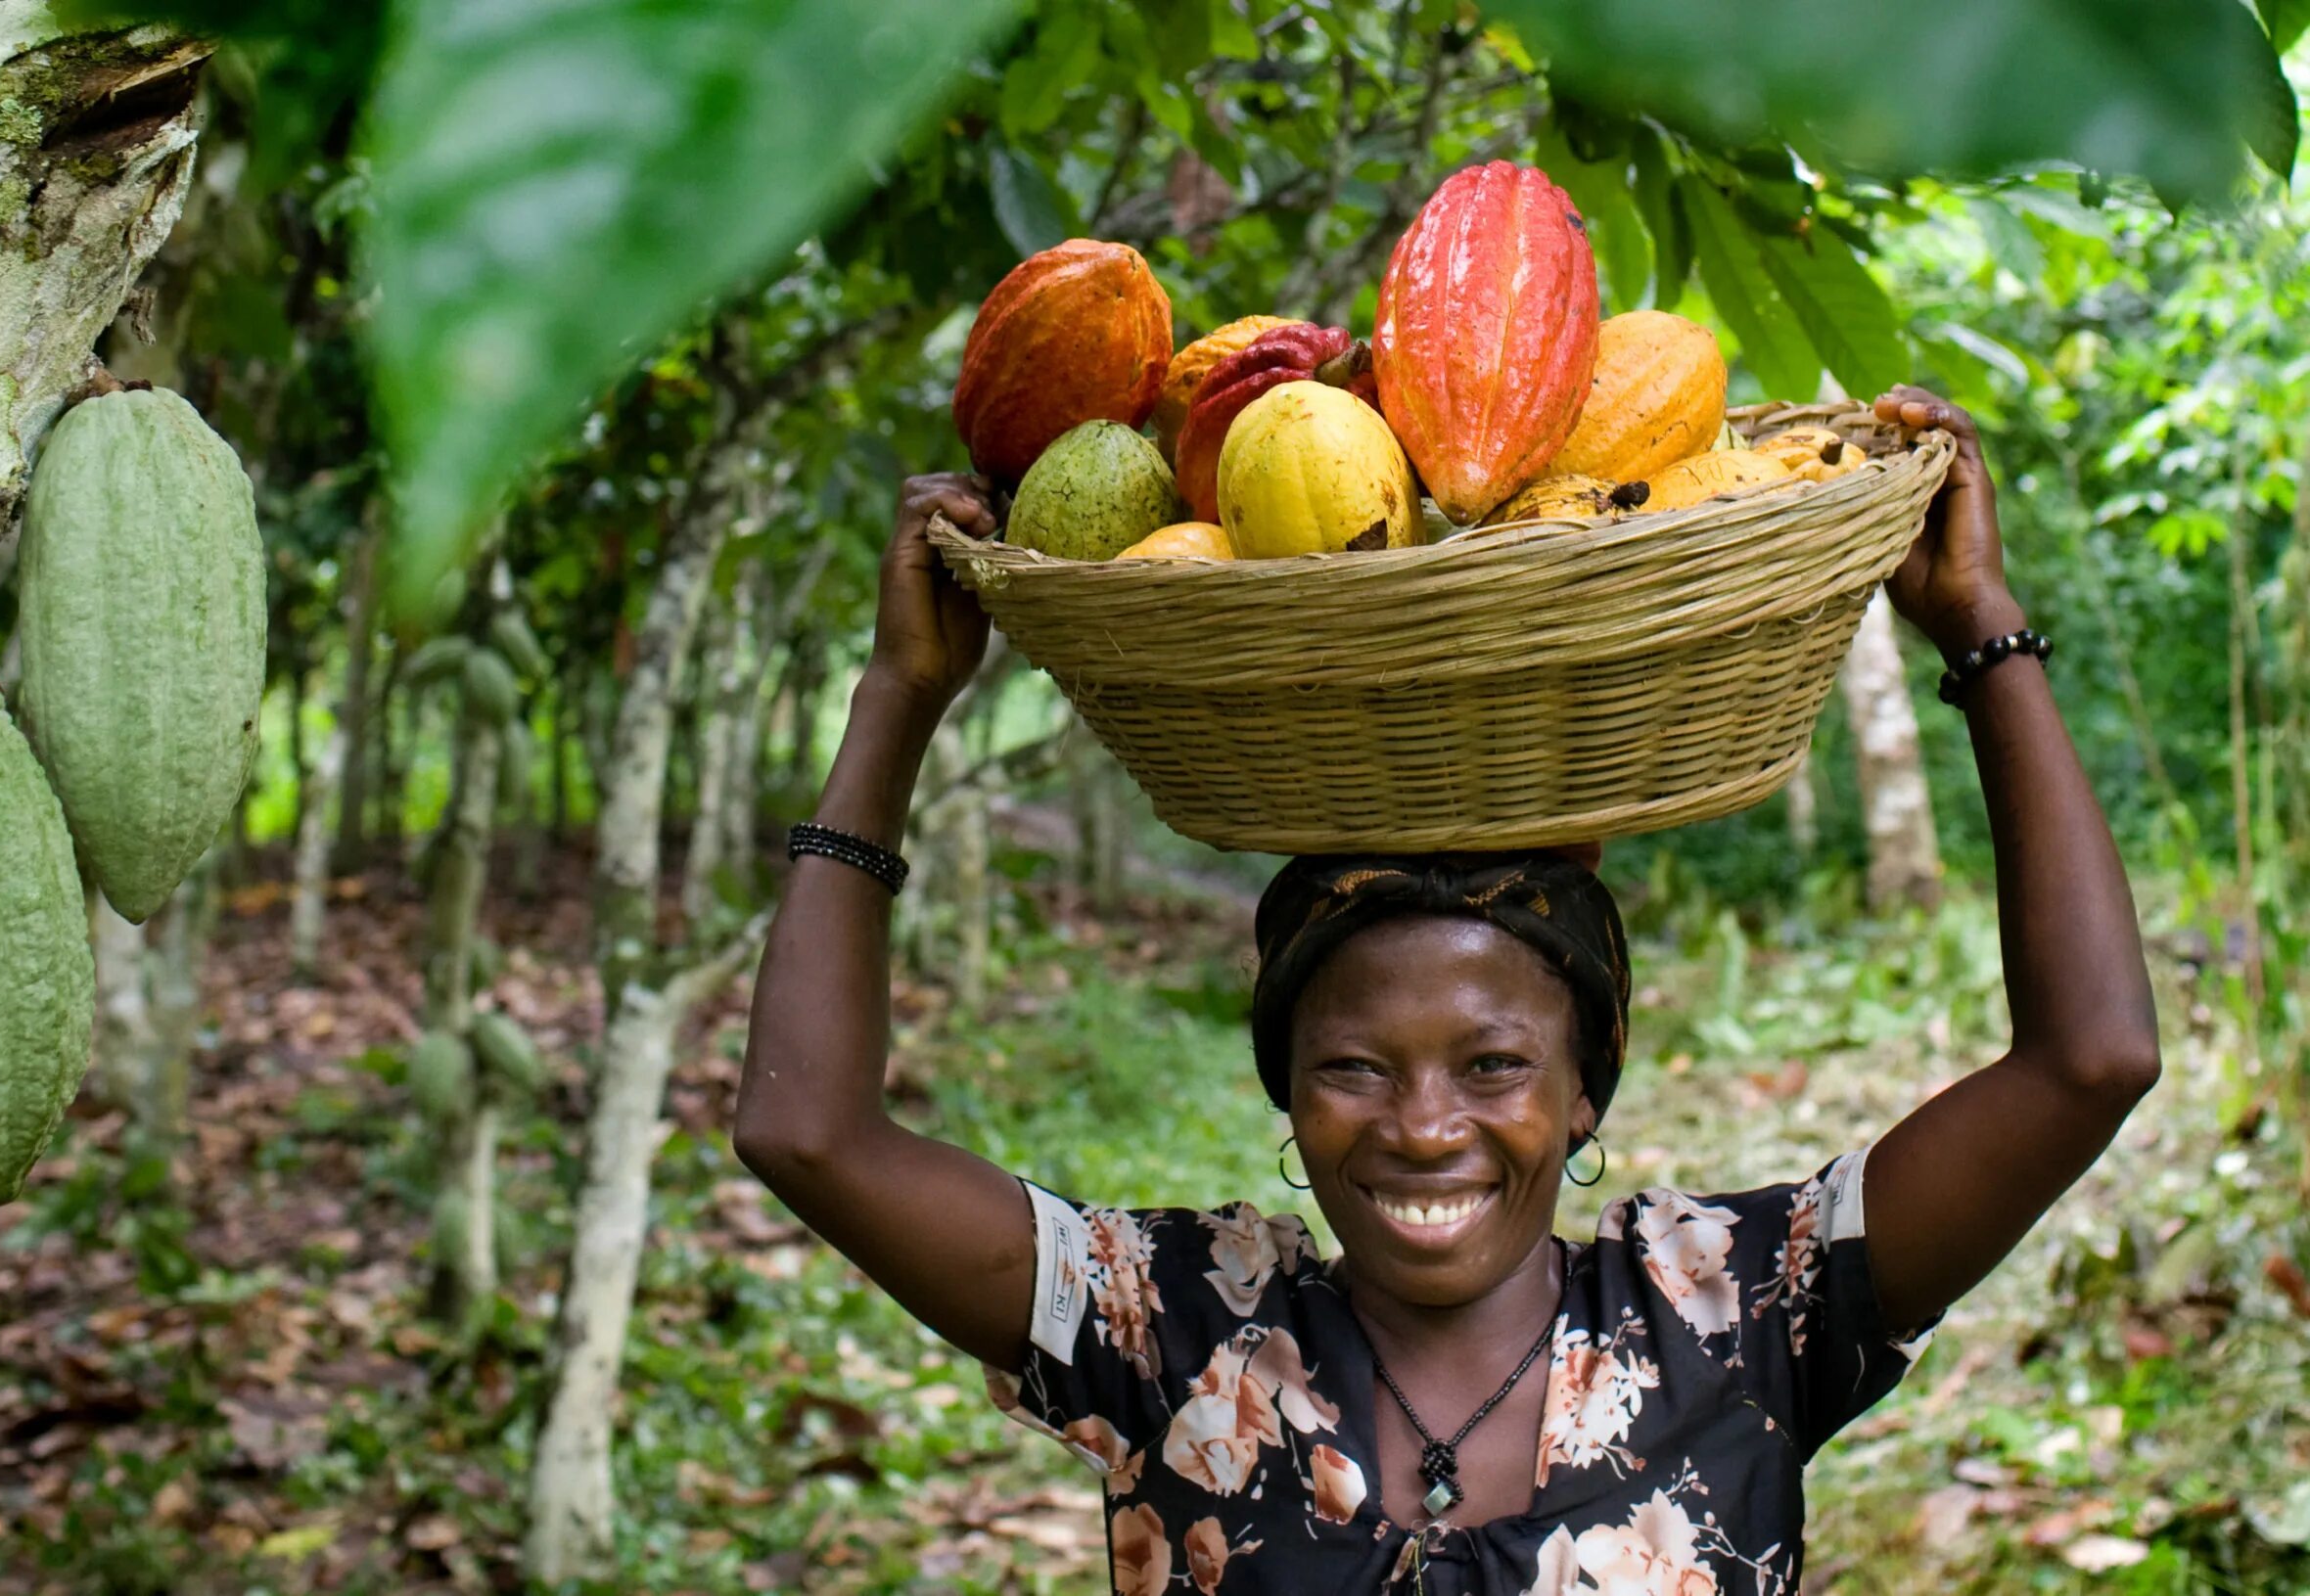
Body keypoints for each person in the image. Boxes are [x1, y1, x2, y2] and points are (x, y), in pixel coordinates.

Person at [735, 388, 2160, 1594]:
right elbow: (811, 1138)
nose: (1425, 1126)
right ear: (1283, 1086)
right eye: (1355, 1067)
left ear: (1587, 1079)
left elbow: (2089, 1062)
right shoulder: (1176, 1336)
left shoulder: (1732, 1316)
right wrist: (898, 695)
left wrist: (1982, 630)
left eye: (1492, 1066)